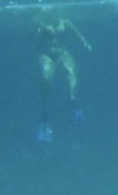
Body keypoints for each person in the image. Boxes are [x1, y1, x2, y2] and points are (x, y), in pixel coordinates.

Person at [33, 12, 91, 141]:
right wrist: (39, 30)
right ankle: (44, 109)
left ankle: (72, 97)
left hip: (62, 52)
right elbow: (32, 38)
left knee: (71, 71)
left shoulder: (65, 23)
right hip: (45, 54)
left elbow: (77, 33)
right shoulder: (41, 24)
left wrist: (85, 43)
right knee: (45, 76)